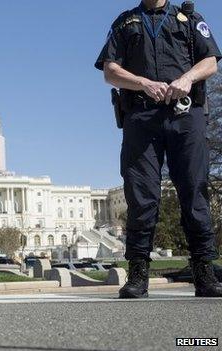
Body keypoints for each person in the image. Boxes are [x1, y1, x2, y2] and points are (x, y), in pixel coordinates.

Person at [95, 0, 221, 298]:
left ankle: (204, 270)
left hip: (185, 115)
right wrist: (142, 83)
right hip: (141, 117)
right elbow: (110, 71)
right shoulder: (125, 23)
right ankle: (138, 273)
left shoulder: (189, 18)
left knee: (194, 189)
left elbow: (211, 61)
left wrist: (187, 78)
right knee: (141, 195)